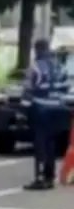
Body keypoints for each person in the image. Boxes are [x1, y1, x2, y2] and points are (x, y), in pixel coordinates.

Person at [23, 38, 70, 191]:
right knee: (51, 144)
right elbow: (66, 86)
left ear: (37, 49)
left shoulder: (35, 67)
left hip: (41, 108)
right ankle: (50, 176)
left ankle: (41, 178)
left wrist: (25, 109)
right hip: (58, 108)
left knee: (40, 144)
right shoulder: (59, 66)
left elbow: (28, 90)